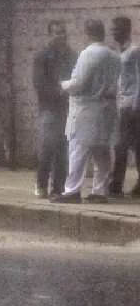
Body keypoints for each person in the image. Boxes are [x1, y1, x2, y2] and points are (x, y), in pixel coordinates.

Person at [52, 18, 121, 203]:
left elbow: (79, 83)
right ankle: (100, 191)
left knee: (77, 150)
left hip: (86, 109)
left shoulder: (88, 54)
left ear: (88, 34)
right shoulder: (114, 56)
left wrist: (63, 85)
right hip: (107, 108)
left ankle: (72, 190)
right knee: (102, 152)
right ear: (102, 33)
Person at [33, 20, 75, 198]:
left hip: (67, 107)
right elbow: (39, 82)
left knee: (63, 149)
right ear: (50, 35)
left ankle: (57, 187)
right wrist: (58, 91)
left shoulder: (72, 55)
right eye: (57, 32)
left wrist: (67, 91)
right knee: (47, 147)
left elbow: (76, 77)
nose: (61, 36)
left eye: (63, 32)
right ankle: (41, 184)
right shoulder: (42, 56)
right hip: (49, 107)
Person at [110, 16, 140, 197]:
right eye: (113, 29)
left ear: (126, 30)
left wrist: (136, 105)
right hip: (121, 105)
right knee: (122, 145)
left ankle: (118, 184)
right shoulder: (118, 52)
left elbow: (138, 79)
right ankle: (117, 184)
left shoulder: (135, 51)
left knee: (133, 146)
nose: (113, 32)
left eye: (117, 29)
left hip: (132, 106)